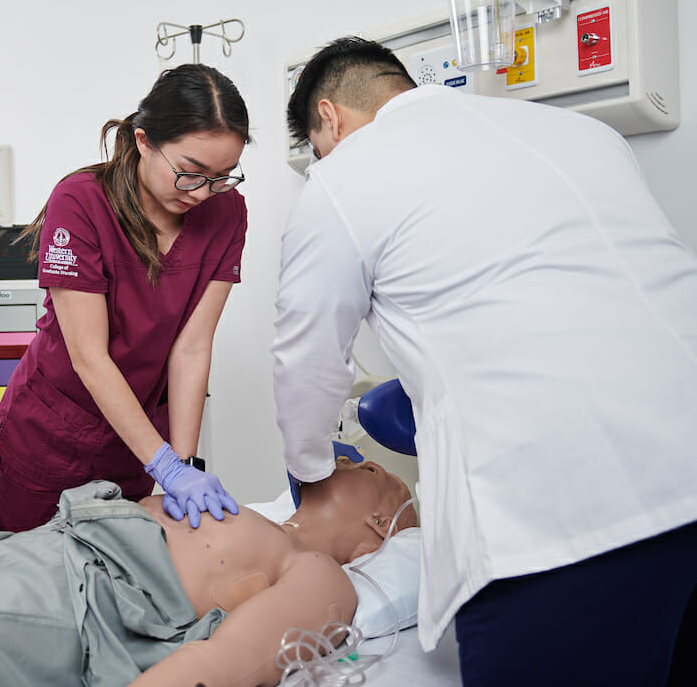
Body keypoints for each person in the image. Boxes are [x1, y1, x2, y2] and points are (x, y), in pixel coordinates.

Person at [273, 36, 697, 685]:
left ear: (328, 117)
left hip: (562, 517)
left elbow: (305, 362)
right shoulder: (580, 132)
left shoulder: (343, 176)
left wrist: (310, 467)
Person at [0, 460, 415, 687]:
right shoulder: (255, 518)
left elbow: (225, 661)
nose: (355, 460)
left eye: (372, 471)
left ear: (381, 526)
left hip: (60, 606)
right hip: (15, 556)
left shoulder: (320, 575)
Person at [0, 64, 249, 533]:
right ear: (144, 140)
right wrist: (165, 466)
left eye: (222, 176)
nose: (204, 193)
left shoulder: (227, 212)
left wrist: (182, 462)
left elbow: (191, 347)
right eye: (191, 173)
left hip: (138, 443)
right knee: (26, 584)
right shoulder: (82, 201)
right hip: (50, 437)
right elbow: (90, 357)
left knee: (117, 586)